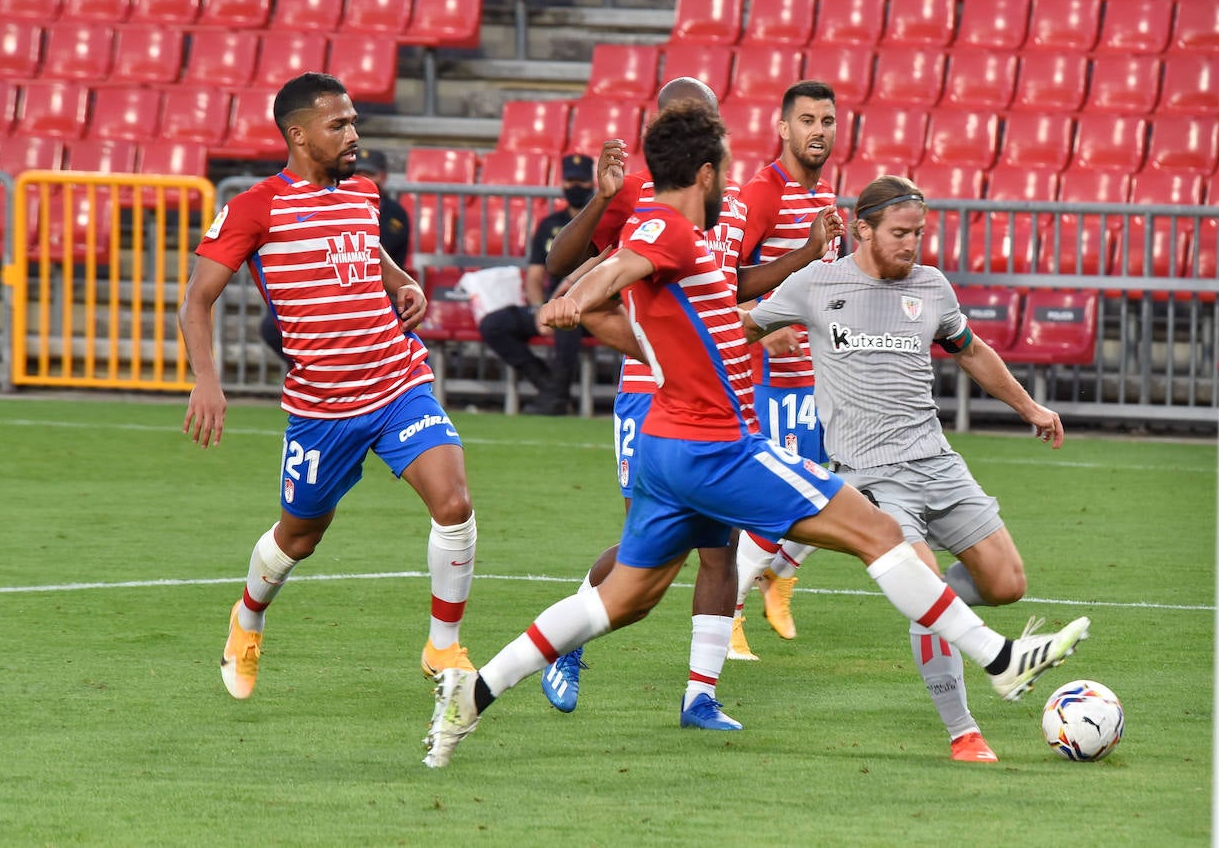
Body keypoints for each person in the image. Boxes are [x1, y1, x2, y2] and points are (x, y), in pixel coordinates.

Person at [421, 99, 1091, 769]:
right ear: (707, 174)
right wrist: (579, 292)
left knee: (619, 599)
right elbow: (619, 267)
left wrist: (590, 308)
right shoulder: (671, 228)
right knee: (878, 533)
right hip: (718, 444)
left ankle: (471, 692)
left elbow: (637, 314)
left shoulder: (677, 246)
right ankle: (999, 658)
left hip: (668, 446)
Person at [535, 78, 836, 730]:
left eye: (706, 117)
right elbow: (564, 259)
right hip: (651, 392)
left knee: (719, 546)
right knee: (650, 545)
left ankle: (700, 694)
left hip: (719, 388)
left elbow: (729, 283)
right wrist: (600, 200)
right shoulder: (643, 198)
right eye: (684, 116)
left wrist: (801, 259)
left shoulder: (719, 202)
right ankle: (566, 641)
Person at [745, 174, 1069, 762]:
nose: (911, 244)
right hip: (869, 473)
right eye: (900, 233)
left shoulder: (932, 286)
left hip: (937, 461)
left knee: (1006, 583)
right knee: (925, 591)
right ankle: (963, 731)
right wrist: (742, 335)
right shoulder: (818, 282)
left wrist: (1030, 407)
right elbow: (739, 325)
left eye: (918, 232)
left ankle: (935, 609)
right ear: (863, 229)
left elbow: (969, 349)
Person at [178, 72, 479, 701]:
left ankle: (442, 644)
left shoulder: (364, 194)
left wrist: (401, 282)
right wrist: (208, 382)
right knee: (299, 536)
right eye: (337, 123)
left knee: (453, 504)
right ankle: (248, 618)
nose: (353, 133)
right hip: (323, 408)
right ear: (297, 134)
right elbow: (196, 300)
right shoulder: (257, 206)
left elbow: (370, 257)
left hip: (397, 381)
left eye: (353, 121)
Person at [729, 80, 843, 659]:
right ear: (783, 128)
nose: (818, 130)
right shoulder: (761, 194)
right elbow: (725, 286)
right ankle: (730, 614)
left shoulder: (826, 201)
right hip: (767, 380)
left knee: (856, 487)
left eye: (826, 120)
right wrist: (766, 327)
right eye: (806, 120)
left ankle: (780, 575)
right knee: (779, 499)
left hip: (822, 377)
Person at [258, 146, 411, 364]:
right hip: (328, 289)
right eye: (362, 173)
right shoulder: (334, 204)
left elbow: (367, 254)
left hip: (376, 294)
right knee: (272, 327)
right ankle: (315, 372)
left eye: (372, 174)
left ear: (384, 176)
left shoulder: (395, 214)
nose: (366, 179)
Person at [478, 153, 593, 416]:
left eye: (582, 181)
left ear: (593, 183)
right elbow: (534, 275)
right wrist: (540, 308)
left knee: (566, 323)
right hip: (552, 302)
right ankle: (545, 384)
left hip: (591, 308)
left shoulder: (602, 221)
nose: (576, 186)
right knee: (494, 324)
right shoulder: (550, 224)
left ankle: (556, 398)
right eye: (571, 180)